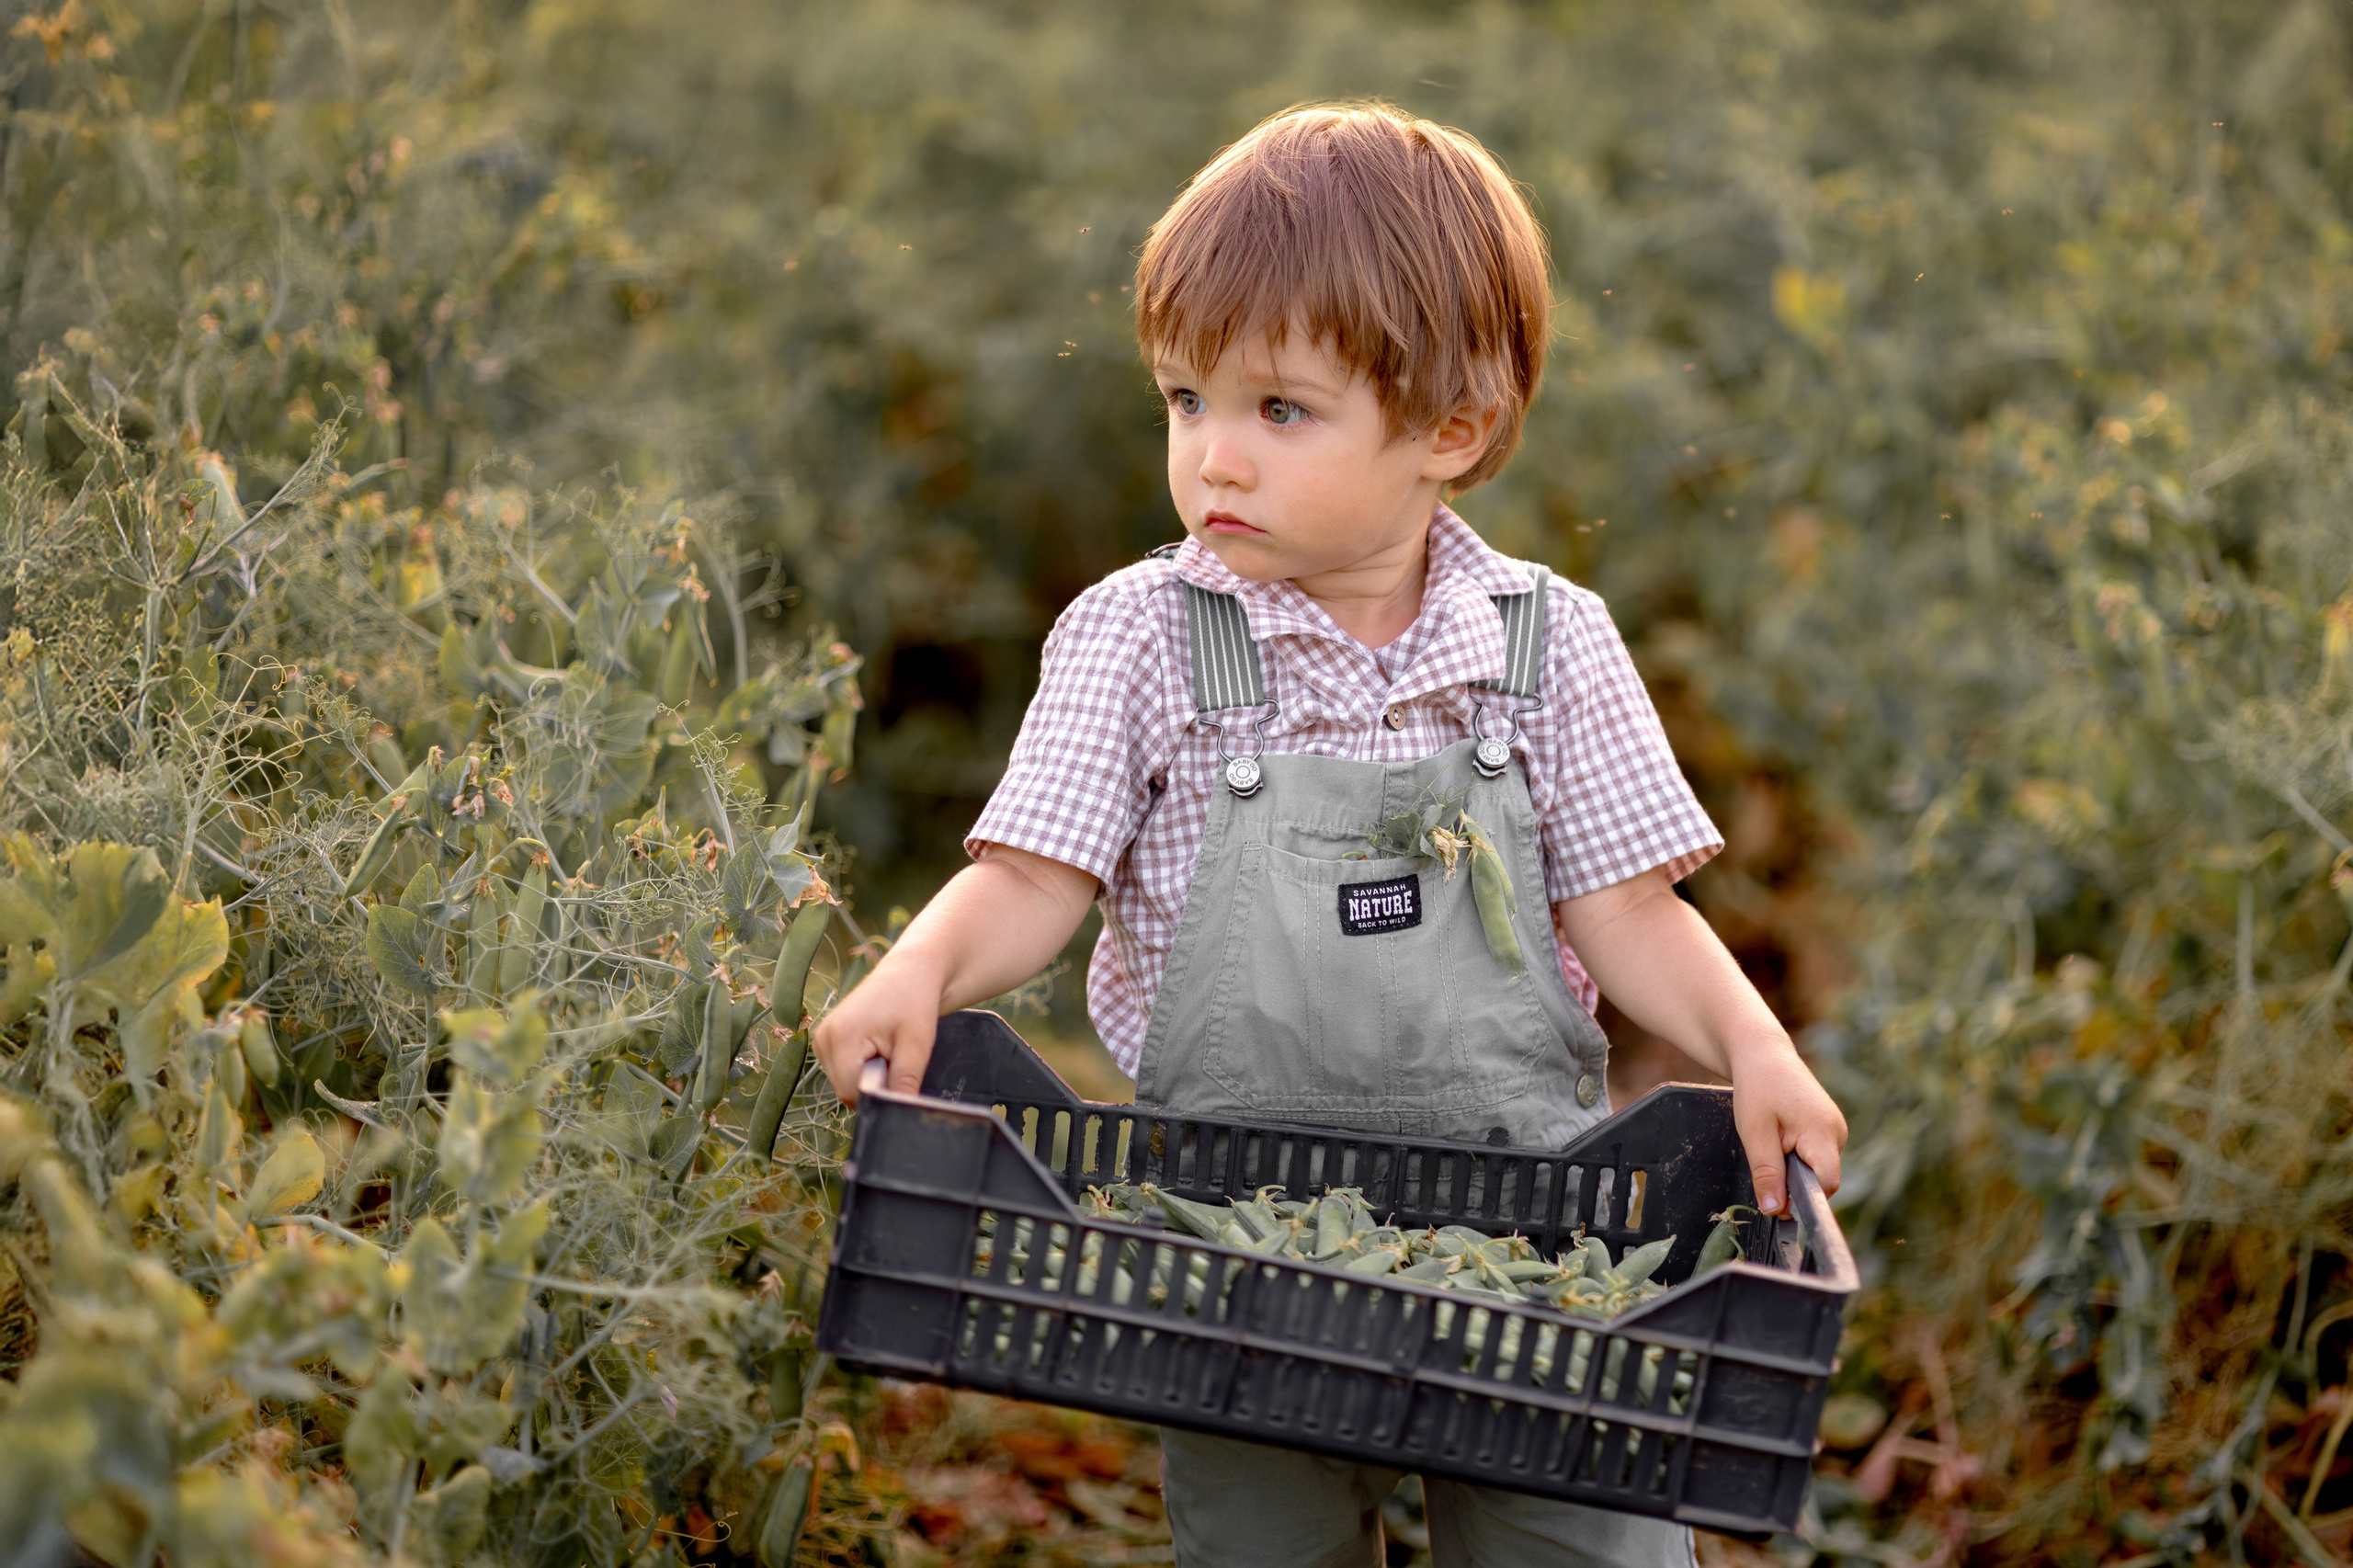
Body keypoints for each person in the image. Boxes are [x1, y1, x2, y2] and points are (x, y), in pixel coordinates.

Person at [816, 101, 1847, 1568]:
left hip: (1524, 1245)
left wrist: (1754, 1049)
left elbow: (1628, 911)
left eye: (1280, 410)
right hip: (1229, 1258)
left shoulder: (1545, 646)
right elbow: (1036, 874)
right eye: (1187, 400)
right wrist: (916, 974)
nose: (1215, 459)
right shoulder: (1141, 639)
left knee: (1584, 1539)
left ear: (1450, 430)